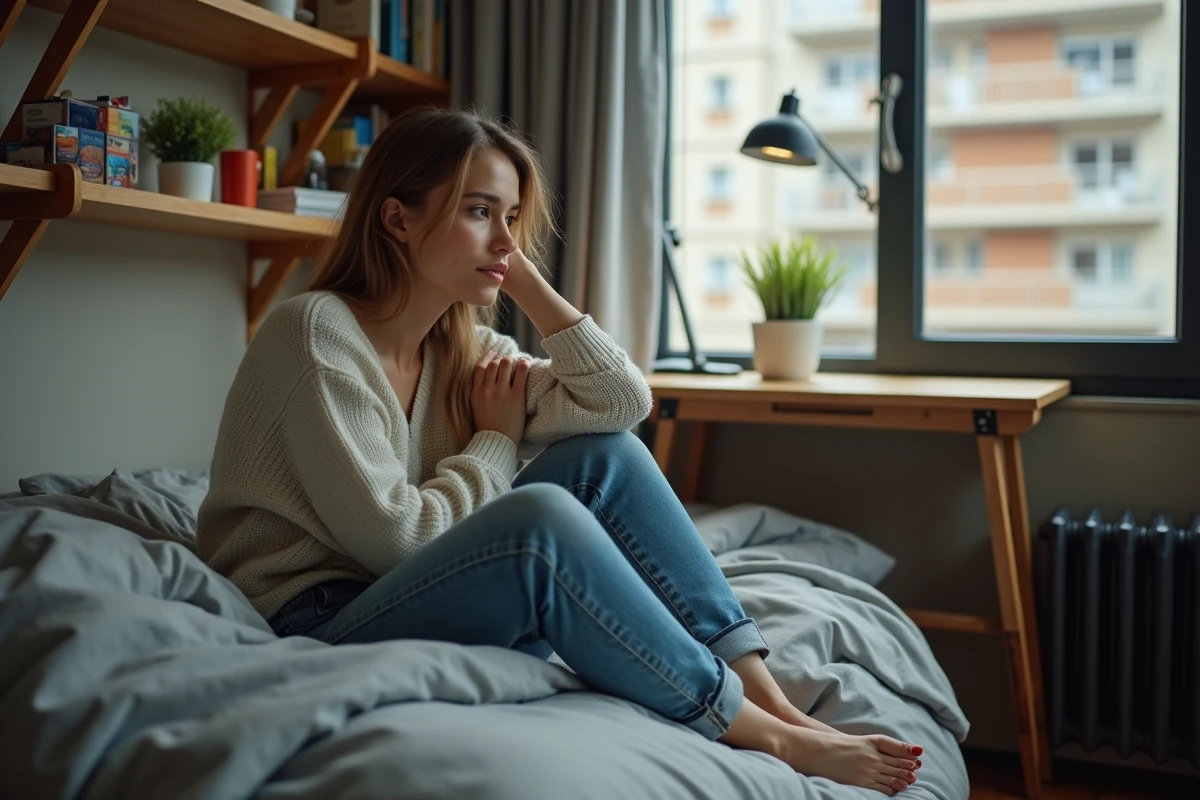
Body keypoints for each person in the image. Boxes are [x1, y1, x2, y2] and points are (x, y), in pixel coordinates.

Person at [196, 107, 923, 795]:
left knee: (607, 458)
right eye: (479, 212)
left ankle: (772, 703)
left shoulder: (465, 345)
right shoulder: (316, 335)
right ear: (397, 218)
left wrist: (523, 277)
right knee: (540, 523)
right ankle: (761, 733)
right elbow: (398, 540)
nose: (506, 239)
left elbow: (620, 405)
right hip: (319, 617)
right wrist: (494, 439)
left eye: (512, 218)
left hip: (420, 598)